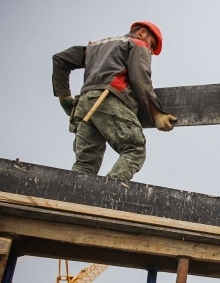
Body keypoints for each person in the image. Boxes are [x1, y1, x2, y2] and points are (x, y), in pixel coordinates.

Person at [51, 21, 177, 181]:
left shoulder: (96, 46)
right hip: (108, 99)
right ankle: (107, 192)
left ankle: (73, 198)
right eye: (151, 45)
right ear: (142, 32)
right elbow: (141, 80)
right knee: (134, 148)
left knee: (85, 163)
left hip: (84, 106)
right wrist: (157, 114)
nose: (150, 51)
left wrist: (64, 96)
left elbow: (60, 59)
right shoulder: (137, 44)